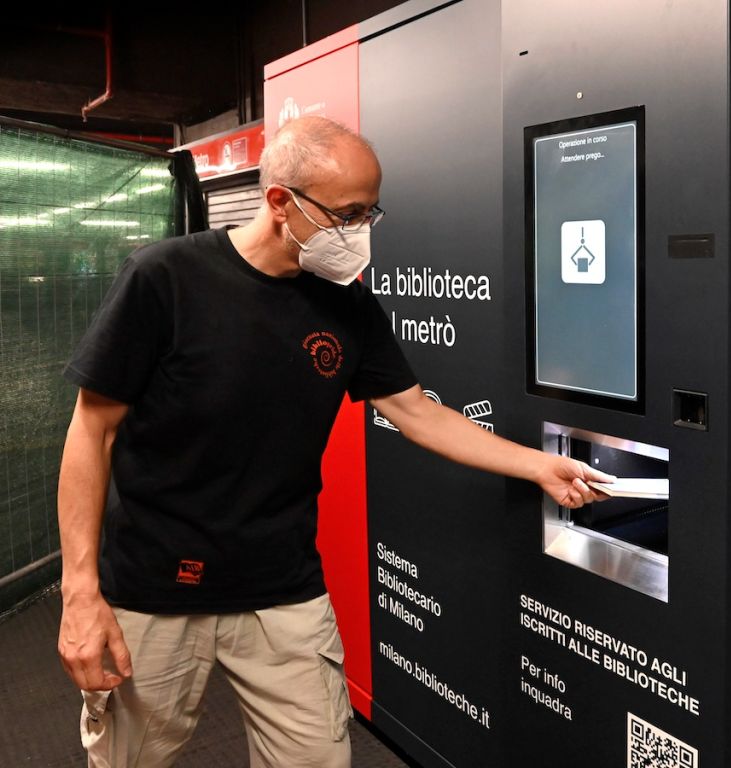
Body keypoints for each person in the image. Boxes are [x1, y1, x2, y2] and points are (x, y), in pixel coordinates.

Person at [55, 115, 611, 768]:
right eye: (347, 215)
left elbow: (416, 412)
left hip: (282, 585)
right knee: (130, 760)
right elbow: (92, 430)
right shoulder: (164, 278)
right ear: (279, 201)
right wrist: (79, 592)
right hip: (154, 588)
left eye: (370, 213)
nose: (360, 230)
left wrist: (538, 465)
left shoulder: (348, 305)